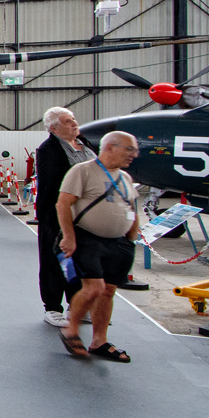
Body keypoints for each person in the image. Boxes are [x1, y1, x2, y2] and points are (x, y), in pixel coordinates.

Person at [56, 130, 140, 362]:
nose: (134, 154)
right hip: (87, 238)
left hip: (119, 243)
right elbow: (63, 204)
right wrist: (68, 237)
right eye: (129, 149)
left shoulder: (125, 177)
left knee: (108, 291)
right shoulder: (82, 171)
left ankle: (99, 340)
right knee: (93, 288)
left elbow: (132, 206)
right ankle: (71, 329)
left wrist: (131, 235)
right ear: (110, 147)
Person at [35, 107, 96, 327]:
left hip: (85, 215)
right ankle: (52, 308)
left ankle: (75, 304)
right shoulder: (48, 149)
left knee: (78, 261)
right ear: (54, 128)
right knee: (54, 260)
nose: (74, 123)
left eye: (73, 119)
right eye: (68, 121)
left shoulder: (85, 143)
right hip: (58, 214)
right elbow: (51, 185)